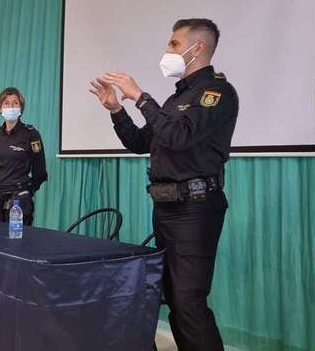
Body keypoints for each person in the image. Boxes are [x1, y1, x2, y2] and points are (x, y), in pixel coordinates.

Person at [88, 18, 238, 351]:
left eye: (173, 43)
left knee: (189, 301)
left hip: (195, 209)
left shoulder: (216, 93)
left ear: (196, 48)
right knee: (174, 299)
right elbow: (141, 142)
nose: (166, 50)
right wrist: (116, 110)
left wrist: (140, 97)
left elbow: (178, 136)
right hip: (167, 208)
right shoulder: (175, 99)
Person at [0, 87, 47, 226]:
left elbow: (40, 171)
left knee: (15, 244)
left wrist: (27, 191)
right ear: (0, 108)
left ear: (21, 107)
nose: (10, 106)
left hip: (18, 200)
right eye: (6, 103)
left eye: (15, 103)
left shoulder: (31, 134)